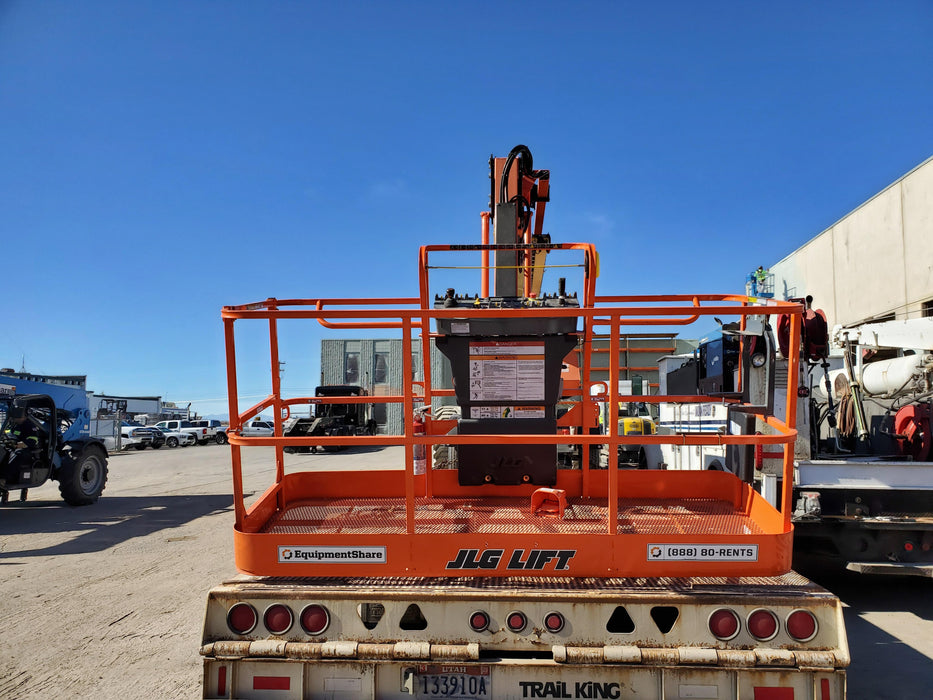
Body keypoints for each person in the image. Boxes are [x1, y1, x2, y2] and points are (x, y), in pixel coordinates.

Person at [1, 409, 43, 484]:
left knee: (17, 454)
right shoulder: (13, 424)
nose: (14, 418)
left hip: (27, 450)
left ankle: (4, 479)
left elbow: (33, 440)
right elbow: (8, 433)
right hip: (12, 446)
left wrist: (18, 445)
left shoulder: (29, 425)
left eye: (17, 416)